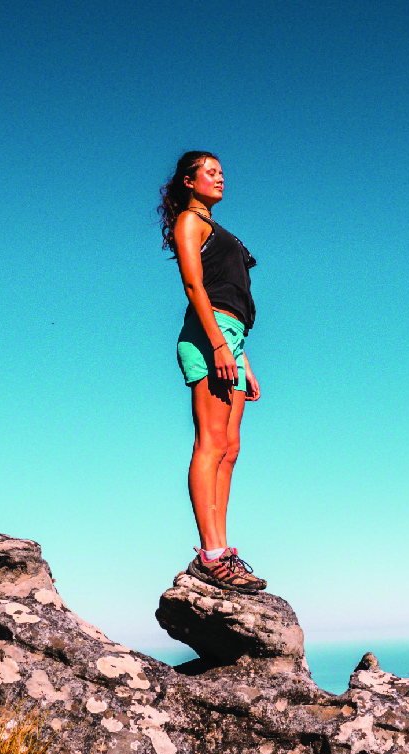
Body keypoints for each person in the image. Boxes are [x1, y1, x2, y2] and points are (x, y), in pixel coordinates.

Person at [158, 151, 267, 593]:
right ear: (188, 180)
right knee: (211, 441)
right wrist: (220, 344)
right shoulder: (190, 221)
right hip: (211, 332)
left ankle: (224, 549)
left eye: (223, 171)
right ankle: (211, 554)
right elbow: (194, 285)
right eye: (210, 171)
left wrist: (242, 359)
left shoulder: (223, 231)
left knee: (231, 447)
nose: (220, 177)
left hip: (232, 338)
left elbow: (236, 293)